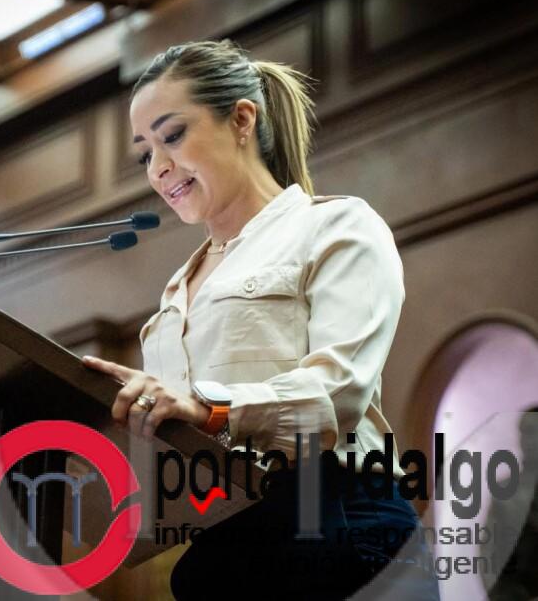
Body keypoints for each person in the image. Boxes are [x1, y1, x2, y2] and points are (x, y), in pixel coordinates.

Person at [81, 39, 439, 599]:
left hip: (337, 526)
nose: (159, 168)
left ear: (242, 119)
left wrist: (211, 409)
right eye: (144, 153)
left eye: (172, 136)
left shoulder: (337, 227)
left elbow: (338, 390)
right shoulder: (173, 295)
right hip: (222, 549)